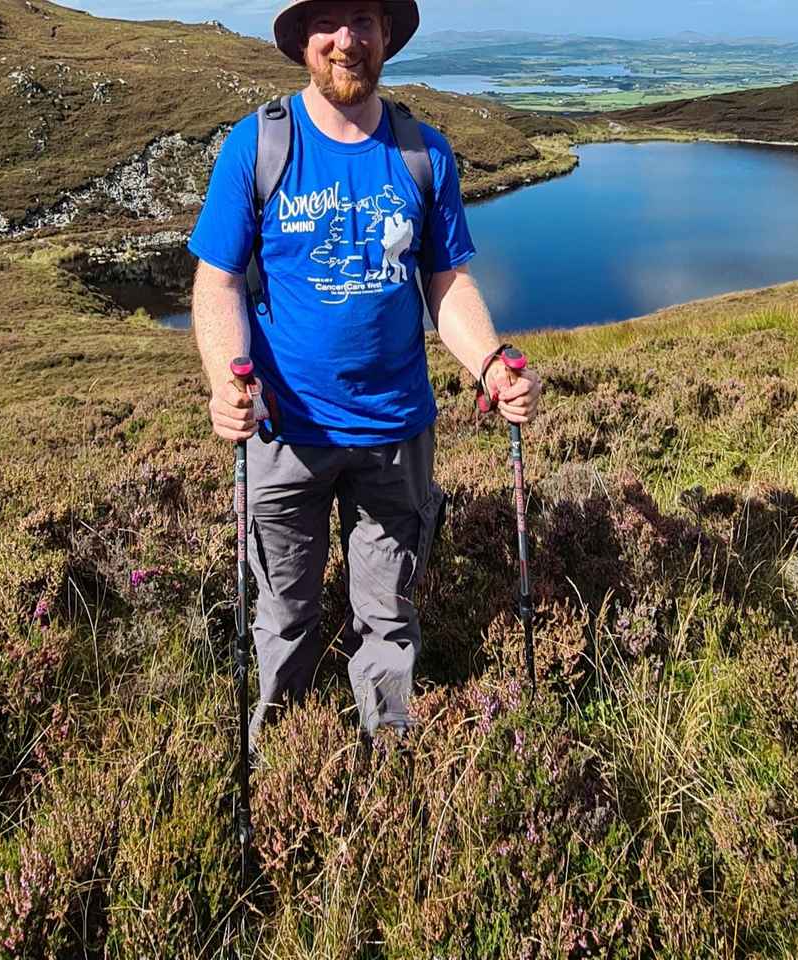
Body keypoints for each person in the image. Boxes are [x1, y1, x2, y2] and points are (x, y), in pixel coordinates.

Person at [188, 0, 542, 745]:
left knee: (389, 616)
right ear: (302, 39)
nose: (346, 40)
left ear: (385, 36)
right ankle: (281, 750)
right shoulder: (258, 146)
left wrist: (489, 363)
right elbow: (218, 282)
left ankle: (390, 755)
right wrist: (226, 379)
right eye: (327, 20)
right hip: (285, 434)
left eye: (364, 20)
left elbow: (446, 281)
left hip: (394, 434)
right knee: (283, 614)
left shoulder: (422, 152)